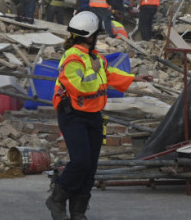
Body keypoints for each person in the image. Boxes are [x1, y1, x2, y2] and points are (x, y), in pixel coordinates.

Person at [46, 11, 149, 220]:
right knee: (81, 162)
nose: (98, 39)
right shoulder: (72, 57)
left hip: (92, 114)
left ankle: (78, 212)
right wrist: (93, 71)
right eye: (97, 36)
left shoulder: (94, 58)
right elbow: (79, 87)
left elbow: (108, 74)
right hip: (73, 114)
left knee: (90, 167)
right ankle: (57, 198)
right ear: (89, 36)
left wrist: (134, 78)